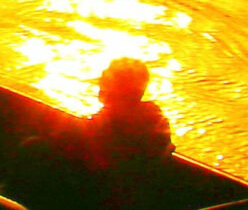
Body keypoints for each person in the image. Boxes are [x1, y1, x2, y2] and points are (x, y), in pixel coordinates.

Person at [11, 58, 174, 209]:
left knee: (33, 149)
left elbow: (82, 150)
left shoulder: (106, 127)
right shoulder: (156, 122)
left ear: (115, 90)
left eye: (105, 79)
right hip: (130, 197)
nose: (99, 83)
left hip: (101, 199)